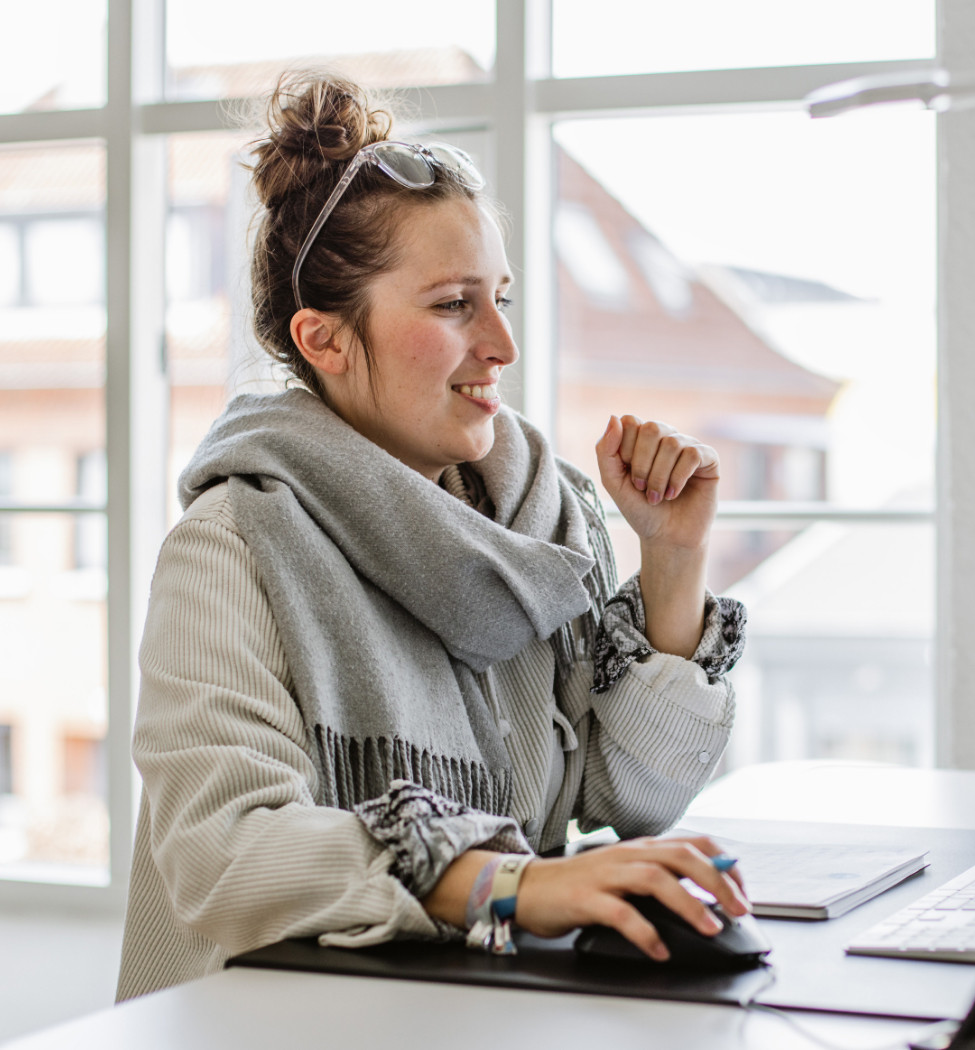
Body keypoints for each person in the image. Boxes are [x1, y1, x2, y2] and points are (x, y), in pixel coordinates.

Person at [116, 71, 749, 1001]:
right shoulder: (234, 546)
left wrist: (672, 558)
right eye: (454, 304)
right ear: (325, 341)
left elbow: (632, 801)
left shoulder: (549, 525)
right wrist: (513, 885)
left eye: (500, 296)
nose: (501, 343)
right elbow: (225, 851)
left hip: (473, 1008)